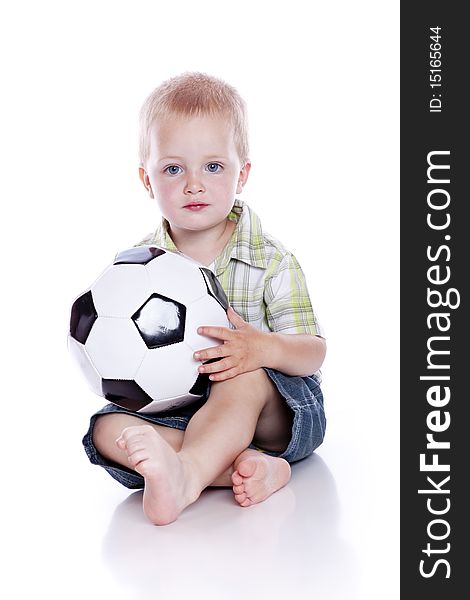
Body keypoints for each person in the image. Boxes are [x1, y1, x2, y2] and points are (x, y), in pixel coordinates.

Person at [83, 72, 327, 526]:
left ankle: (189, 473)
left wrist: (264, 348)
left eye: (213, 167)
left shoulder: (272, 261)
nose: (193, 184)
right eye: (173, 169)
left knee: (241, 375)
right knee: (105, 430)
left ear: (242, 174)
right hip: (184, 413)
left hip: (276, 415)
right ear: (147, 179)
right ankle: (246, 469)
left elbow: (313, 352)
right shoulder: (136, 270)